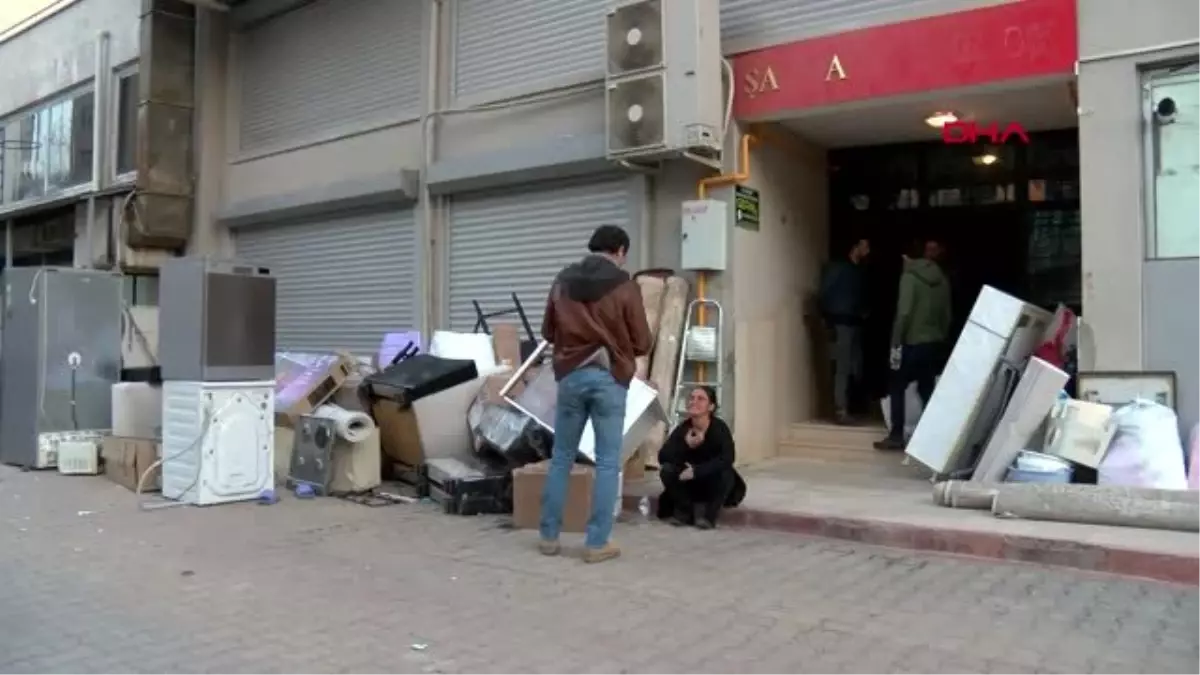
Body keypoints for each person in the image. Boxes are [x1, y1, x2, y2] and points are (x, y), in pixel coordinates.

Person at [538, 224, 652, 564]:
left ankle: (548, 537)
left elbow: (547, 331)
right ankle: (596, 543)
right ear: (619, 250)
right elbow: (643, 341)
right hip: (609, 378)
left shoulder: (562, 281)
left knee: (561, 458)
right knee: (606, 463)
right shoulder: (625, 286)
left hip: (570, 376)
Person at [875, 239, 952, 451]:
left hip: (911, 342)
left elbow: (904, 313)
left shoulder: (909, 277)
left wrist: (895, 343)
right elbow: (947, 315)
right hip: (933, 342)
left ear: (906, 257)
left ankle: (897, 435)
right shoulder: (942, 279)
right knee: (926, 387)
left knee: (897, 386)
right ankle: (935, 435)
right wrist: (940, 337)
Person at [657, 386, 746, 529]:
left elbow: (728, 458)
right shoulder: (684, 428)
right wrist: (686, 446)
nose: (694, 401)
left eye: (700, 399)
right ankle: (685, 513)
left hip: (713, 483)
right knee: (667, 470)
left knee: (726, 473)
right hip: (691, 485)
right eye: (691, 398)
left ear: (711, 406)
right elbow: (663, 456)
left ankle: (708, 517)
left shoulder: (719, 428)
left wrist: (697, 471)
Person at [817, 237, 870, 424]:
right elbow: (824, 293)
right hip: (841, 323)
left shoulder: (858, 270)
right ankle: (841, 410)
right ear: (855, 246)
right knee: (842, 367)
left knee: (854, 367)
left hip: (854, 323)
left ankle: (851, 406)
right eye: (865, 246)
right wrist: (828, 319)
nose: (868, 250)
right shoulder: (838, 268)